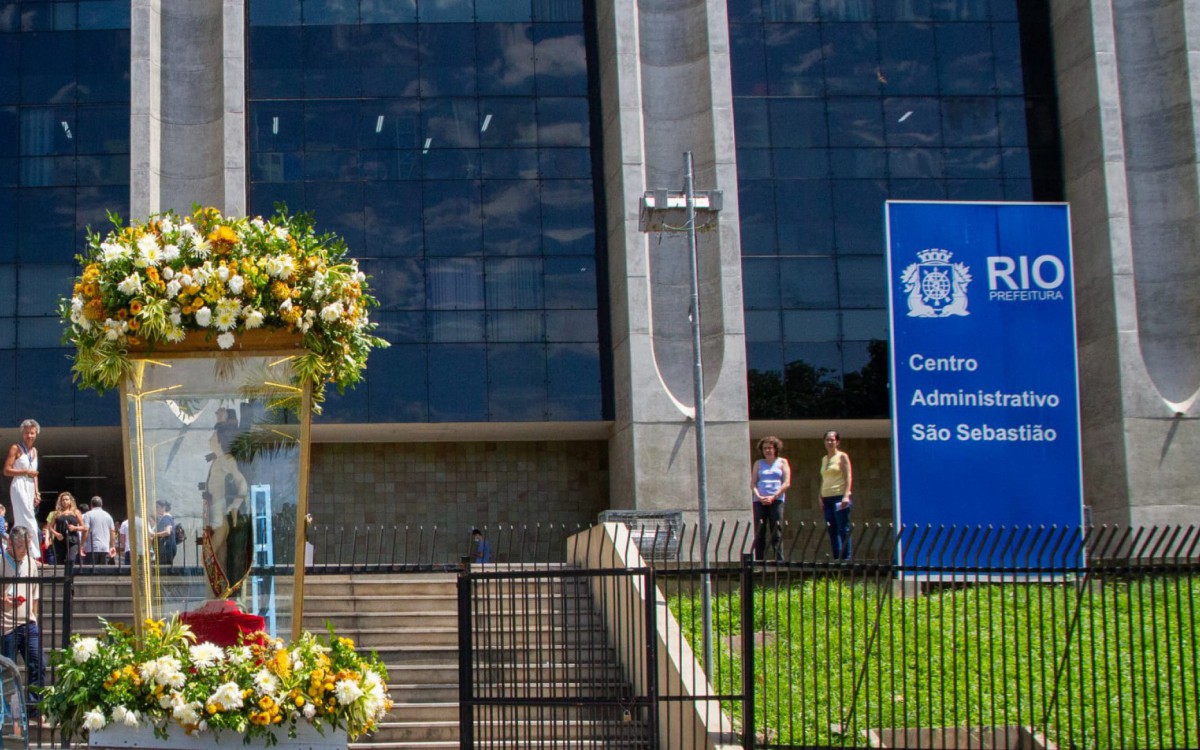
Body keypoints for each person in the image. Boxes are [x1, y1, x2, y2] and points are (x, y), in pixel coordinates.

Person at [200, 416, 250, 598]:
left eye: (214, 435)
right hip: (214, 513)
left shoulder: (226, 459)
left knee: (209, 557)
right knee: (219, 557)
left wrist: (235, 506)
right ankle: (219, 598)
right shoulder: (218, 460)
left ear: (220, 439)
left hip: (219, 515)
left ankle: (218, 597)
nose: (210, 438)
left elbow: (242, 484)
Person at [1, 526, 43, 729]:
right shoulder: (1, 561)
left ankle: (35, 708)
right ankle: (8, 713)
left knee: (38, 664)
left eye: (26, 547)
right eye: (19, 546)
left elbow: (35, 593)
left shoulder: (31, 563)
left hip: (28, 622)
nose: (23, 551)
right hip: (5, 625)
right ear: (9, 543)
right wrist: (4, 601)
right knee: (7, 670)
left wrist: (34, 617)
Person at [3, 421, 42, 560]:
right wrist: (25, 471)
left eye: (32, 433)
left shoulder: (35, 451)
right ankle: (34, 555)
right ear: (22, 433)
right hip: (19, 484)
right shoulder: (16, 448)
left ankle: (18, 551)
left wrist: (37, 492)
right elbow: (6, 470)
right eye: (26, 433)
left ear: (36, 433)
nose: (29, 435)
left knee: (22, 520)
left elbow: (35, 473)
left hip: (30, 485)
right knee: (29, 519)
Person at [751, 436, 790, 560]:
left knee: (776, 529)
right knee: (759, 530)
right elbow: (753, 483)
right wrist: (759, 496)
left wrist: (774, 496)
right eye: (765, 448)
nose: (767, 450)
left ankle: (779, 559)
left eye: (770, 448)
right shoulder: (758, 463)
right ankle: (759, 559)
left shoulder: (782, 462)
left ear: (775, 449)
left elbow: (786, 482)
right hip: (760, 500)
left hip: (776, 499)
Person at [819, 430, 853, 560]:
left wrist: (846, 495)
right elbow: (823, 478)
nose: (829, 442)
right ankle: (837, 557)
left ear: (837, 442)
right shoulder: (824, 459)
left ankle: (846, 558)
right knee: (831, 528)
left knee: (843, 528)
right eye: (827, 440)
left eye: (832, 440)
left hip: (839, 496)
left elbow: (848, 476)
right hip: (826, 497)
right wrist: (820, 496)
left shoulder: (842, 456)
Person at [48, 494, 84, 571]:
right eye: (63, 500)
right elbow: (50, 527)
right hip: (60, 540)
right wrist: (56, 534)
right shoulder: (57, 513)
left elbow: (84, 527)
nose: (65, 501)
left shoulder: (76, 512)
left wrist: (75, 528)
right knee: (60, 561)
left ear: (71, 501)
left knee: (70, 559)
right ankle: (62, 580)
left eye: (67, 499)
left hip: (72, 540)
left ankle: (69, 578)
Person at [82, 497, 116, 565]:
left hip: (91, 548)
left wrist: (82, 545)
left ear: (91, 505)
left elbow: (86, 530)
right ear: (101, 504)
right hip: (105, 548)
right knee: (103, 572)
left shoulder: (88, 515)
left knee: (90, 573)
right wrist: (112, 546)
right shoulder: (108, 515)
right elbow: (112, 531)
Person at [154, 501, 176, 566]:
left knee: (163, 569)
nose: (155, 509)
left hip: (166, 548)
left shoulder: (166, 518)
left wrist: (153, 534)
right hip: (168, 548)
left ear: (164, 508)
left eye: (157, 507)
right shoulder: (169, 517)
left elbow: (167, 532)